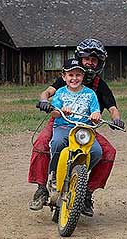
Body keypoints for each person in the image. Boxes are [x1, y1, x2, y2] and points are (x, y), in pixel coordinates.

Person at [28, 38, 125, 217]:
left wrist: (116, 120)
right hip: (61, 122)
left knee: (108, 152)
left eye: (94, 60)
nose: (90, 63)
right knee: (41, 144)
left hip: (85, 128)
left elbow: (112, 107)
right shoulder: (68, 77)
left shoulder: (99, 86)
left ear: (99, 63)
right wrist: (44, 101)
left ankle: (86, 193)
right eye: (87, 58)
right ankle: (42, 188)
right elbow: (48, 92)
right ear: (79, 59)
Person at [48, 58, 102, 188]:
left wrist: (96, 115)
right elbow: (53, 113)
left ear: (83, 76)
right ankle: (54, 174)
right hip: (63, 126)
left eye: (78, 75)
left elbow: (96, 112)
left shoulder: (90, 94)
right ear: (64, 76)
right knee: (57, 143)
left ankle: (79, 174)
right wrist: (61, 111)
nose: (74, 78)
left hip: (84, 129)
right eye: (71, 75)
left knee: (96, 151)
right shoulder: (60, 92)